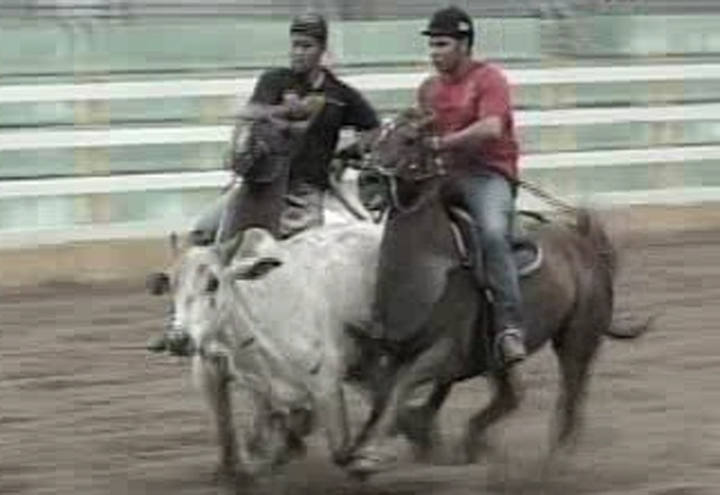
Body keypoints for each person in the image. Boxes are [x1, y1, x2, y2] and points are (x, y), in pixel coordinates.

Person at [147, 12, 381, 353]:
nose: (298, 52)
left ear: (321, 49)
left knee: (303, 265)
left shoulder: (339, 95)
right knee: (203, 234)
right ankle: (178, 324)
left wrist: (347, 153)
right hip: (260, 184)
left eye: (306, 45)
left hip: (305, 191)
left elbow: (373, 129)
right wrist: (284, 113)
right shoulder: (275, 81)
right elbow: (250, 112)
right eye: (295, 45)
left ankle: (311, 336)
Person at [417, 6, 527, 366]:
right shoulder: (429, 89)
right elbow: (419, 129)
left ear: (464, 44)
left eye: (442, 44)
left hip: (488, 175)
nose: (434, 53)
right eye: (432, 45)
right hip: (444, 177)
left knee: (493, 233)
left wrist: (442, 144)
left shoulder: (489, 79)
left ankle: (510, 325)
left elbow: (491, 128)